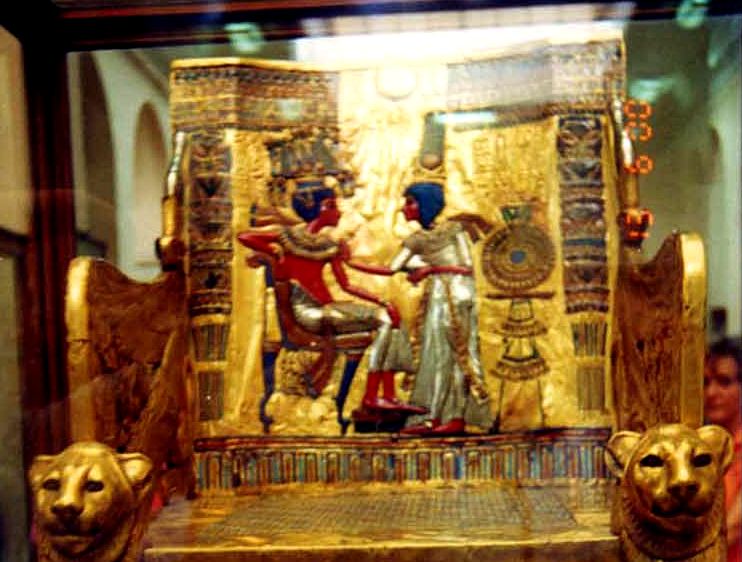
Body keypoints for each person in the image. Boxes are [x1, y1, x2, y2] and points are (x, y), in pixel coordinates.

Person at [237, 186, 425, 415]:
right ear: (323, 207)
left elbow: (346, 285)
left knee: (392, 318)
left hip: (326, 308)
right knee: (386, 320)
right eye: (334, 207)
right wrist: (273, 253)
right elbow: (244, 236)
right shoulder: (288, 236)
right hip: (308, 313)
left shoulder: (328, 245)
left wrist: (382, 301)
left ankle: (387, 395)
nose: (339, 213)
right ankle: (373, 395)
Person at [349, 181, 492, 435]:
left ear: (425, 204)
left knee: (459, 355)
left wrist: (431, 269)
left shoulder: (454, 229)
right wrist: (351, 263)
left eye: (410, 202)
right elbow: (391, 269)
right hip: (438, 294)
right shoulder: (416, 240)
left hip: (457, 293)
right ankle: (432, 417)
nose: (404, 208)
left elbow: (466, 267)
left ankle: (457, 417)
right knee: (435, 355)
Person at [704, 336, 742, 562]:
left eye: (724, 382)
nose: (711, 393)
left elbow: (734, 526)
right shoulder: (700, 448)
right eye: (706, 382)